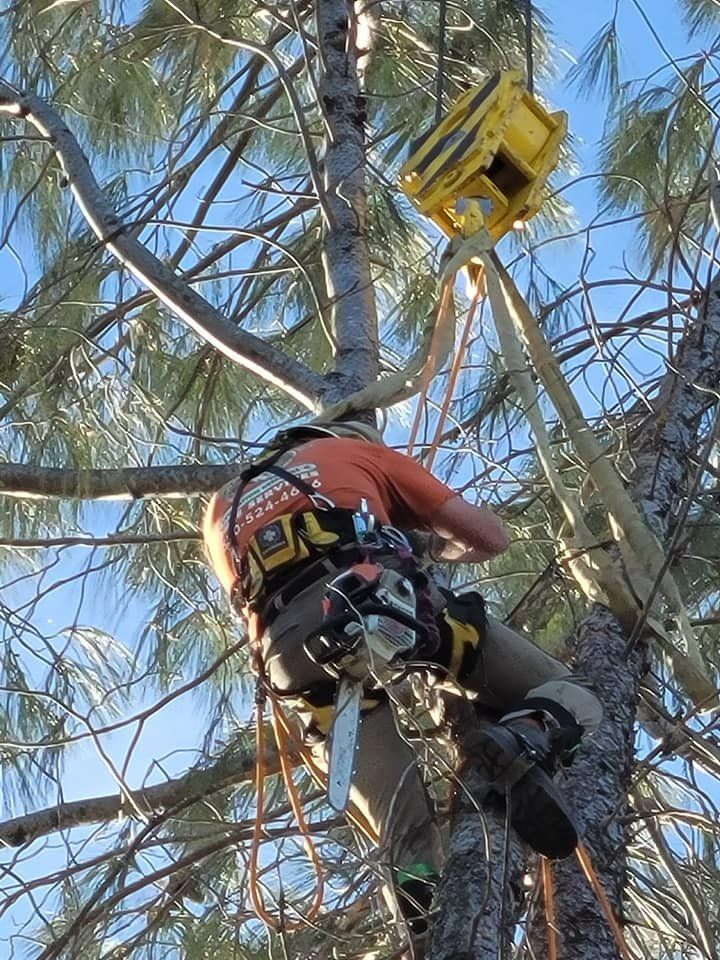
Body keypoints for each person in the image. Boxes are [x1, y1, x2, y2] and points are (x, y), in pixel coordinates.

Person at [202, 419, 602, 939]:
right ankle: (523, 736)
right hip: (380, 600)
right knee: (573, 691)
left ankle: (423, 907)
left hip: (294, 657)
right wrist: (429, 546)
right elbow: (489, 537)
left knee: (399, 829)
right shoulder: (355, 453)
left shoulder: (218, 510)